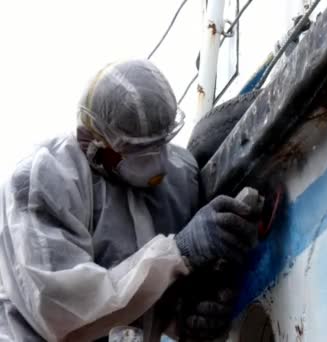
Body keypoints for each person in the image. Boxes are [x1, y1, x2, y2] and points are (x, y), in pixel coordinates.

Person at [0, 59, 261, 341]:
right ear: (93, 143)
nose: (159, 163)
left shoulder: (181, 177)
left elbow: (148, 300)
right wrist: (179, 251)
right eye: (137, 151)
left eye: (161, 143)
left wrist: (185, 315)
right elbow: (62, 313)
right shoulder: (44, 180)